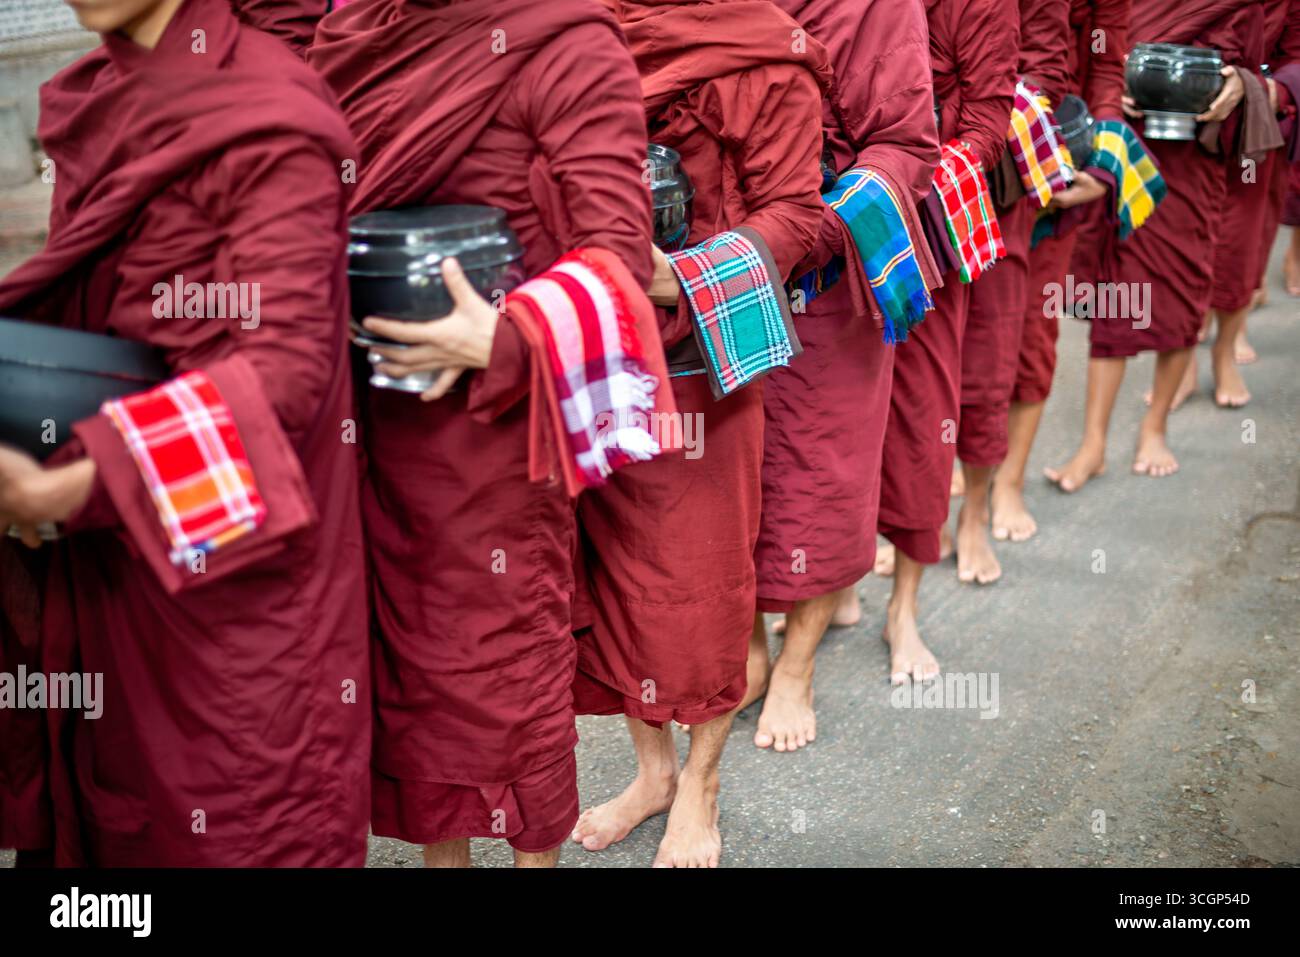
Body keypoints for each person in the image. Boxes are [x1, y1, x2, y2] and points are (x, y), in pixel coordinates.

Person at [0, 0, 369, 866]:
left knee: (241, 813)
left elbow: (283, 371)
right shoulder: (96, 93)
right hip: (111, 555)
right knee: (120, 817)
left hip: (233, 548)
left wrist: (76, 482)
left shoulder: (266, 113)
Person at [309, 0, 663, 868]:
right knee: (407, 674)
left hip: (491, 432)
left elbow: (618, 250)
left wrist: (510, 337)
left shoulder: (564, 37)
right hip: (365, 420)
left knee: (498, 672)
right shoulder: (355, 26)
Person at [570, 0, 827, 866]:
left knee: (704, 584)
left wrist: (678, 276)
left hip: (701, 358)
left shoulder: (764, 49)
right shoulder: (581, 32)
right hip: (588, 343)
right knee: (610, 581)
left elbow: (798, 215)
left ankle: (704, 782)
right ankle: (652, 774)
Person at [1047, 0, 1267, 489]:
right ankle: (1093, 443)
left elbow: (1253, 65)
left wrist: (1235, 87)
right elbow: (1086, 44)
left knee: (1183, 289)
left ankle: (1155, 426)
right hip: (1128, 148)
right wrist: (1107, 88)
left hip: (1195, 158)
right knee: (1115, 293)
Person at [991, 0, 1133, 543]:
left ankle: (1009, 480)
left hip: (1053, 175)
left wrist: (1102, 165)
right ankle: (959, 466)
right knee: (954, 340)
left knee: (1030, 335)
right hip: (967, 167)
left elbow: (1106, 69)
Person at [952, 0, 1075, 585]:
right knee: (904, 371)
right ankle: (898, 523)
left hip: (999, 169)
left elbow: (1046, 64)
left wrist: (987, 119)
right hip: (901, 162)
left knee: (991, 362)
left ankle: (975, 513)